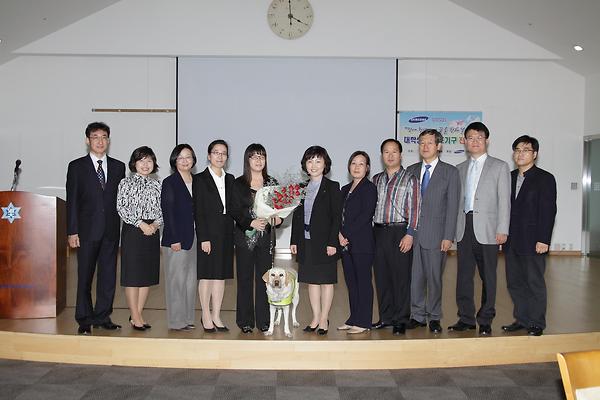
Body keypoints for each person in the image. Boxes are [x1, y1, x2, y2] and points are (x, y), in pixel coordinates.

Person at [449, 122, 510, 336]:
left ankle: (485, 319)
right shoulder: (459, 169)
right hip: (464, 227)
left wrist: (503, 229)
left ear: (487, 141)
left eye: (479, 137)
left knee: (488, 277)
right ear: (464, 142)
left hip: (488, 229)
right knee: (463, 276)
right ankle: (465, 318)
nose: (475, 141)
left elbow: (504, 201)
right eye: (470, 138)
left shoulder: (500, 166)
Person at [66, 122, 125, 335]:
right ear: (87, 140)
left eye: (104, 137)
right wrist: (72, 232)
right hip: (86, 231)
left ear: (108, 140)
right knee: (85, 277)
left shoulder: (119, 167)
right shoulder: (76, 167)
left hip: (110, 230)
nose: (100, 141)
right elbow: (72, 201)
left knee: (108, 276)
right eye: (95, 137)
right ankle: (84, 319)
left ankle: (103, 316)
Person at [406, 129, 460, 334]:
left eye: (429, 143)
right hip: (413, 235)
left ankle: (435, 316)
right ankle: (418, 315)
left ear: (439, 146)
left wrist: (448, 236)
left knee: (435, 278)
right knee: (415, 277)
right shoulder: (410, 170)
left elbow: (453, 206)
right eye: (421, 143)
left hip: (437, 235)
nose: (425, 146)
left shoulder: (450, 172)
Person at [501, 135, 556, 336]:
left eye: (525, 150)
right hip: (512, 240)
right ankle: (522, 319)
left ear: (535, 154)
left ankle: (536, 322)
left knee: (534, 282)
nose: (520, 153)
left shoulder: (545, 178)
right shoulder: (509, 176)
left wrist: (544, 239)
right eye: (517, 149)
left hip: (534, 241)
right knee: (514, 282)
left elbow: (548, 210)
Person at [230, 143, 283, 334]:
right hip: (244, 238)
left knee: (265, 280)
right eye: (254, 156)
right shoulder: (238, 183)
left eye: (262, 156)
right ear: (247, 160)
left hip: (266, 239)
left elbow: (280, 210)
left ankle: (264, 321)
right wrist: (250, 223)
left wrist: (278, 219)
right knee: (244, 279)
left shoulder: (272, 182)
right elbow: (234, 210)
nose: (259, 160)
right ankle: (245, 321)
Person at [290, 146, 341, 335]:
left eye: (318, 161)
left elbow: (337, 218)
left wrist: (332, 243)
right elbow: (296, 216)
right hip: (306, 241)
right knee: (311, 281)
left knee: (326, 281)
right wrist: (294, 240)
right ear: (305, 164)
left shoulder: (332, 187)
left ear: (325, 164)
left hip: (325, 242)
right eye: (310, 161)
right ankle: (315, 317)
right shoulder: (301, 188)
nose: (314, 165)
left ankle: (324, 318)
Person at [372, 139, 420, 335]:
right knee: (381, 277)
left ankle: (401, 319)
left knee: (400, 278)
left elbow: (416, 209)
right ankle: (386, 317)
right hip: (378, 231)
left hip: (400, 231)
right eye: (386, 152)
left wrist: (410, 234)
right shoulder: (375, 179)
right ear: (382, 155)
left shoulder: (410, 179)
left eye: (394, 152)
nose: (390, 155)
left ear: (401, 155)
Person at [117, 146, 162, 331]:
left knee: (146, 276)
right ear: (134, 163)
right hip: (133, 231)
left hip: (152, 231)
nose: (145, 164)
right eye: (141, 160)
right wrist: (141, 224)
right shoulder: (125, 183)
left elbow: (162, 209)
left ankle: (138, 314)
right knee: (132, 276)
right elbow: (121, 207)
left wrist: (156, 224)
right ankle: (135, 315)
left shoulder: (157, 185)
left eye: (149, 160)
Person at [192, 139, 234, 333]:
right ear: (209, 156)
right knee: (207, 275)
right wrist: (203, 238)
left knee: (220, 276)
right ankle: (205, 315)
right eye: (216, 152)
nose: (220, 156)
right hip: (209, 233)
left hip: (226, 233)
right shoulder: (200, 179)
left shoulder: (231, 179)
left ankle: (216, 314)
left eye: (223, 153)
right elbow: (198, 211)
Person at [337, 151, 377, 334]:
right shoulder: (344, 189)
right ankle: (353, 318)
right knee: (351, 283)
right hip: (345, 244)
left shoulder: (369, 188)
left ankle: (364, 321)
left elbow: (365, 216)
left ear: (367, 168)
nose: (357, 167)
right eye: (354, 163)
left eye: (361, 164)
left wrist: (345, 234)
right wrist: (339, 234)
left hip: (362, 244)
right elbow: (338, 215)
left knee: (363, 282)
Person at [161, 144, 198, 331]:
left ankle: (188, 318)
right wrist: (174, 238)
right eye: (181, 157)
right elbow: (168, 213)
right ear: (175, 160)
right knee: (176, 280)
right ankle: (176, 321)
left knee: (191, 280)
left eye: (188, 157)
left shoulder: (198, 181)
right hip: (176, 238)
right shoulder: (170, 182)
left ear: (193, 160)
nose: (185, 160)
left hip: (195, 237)